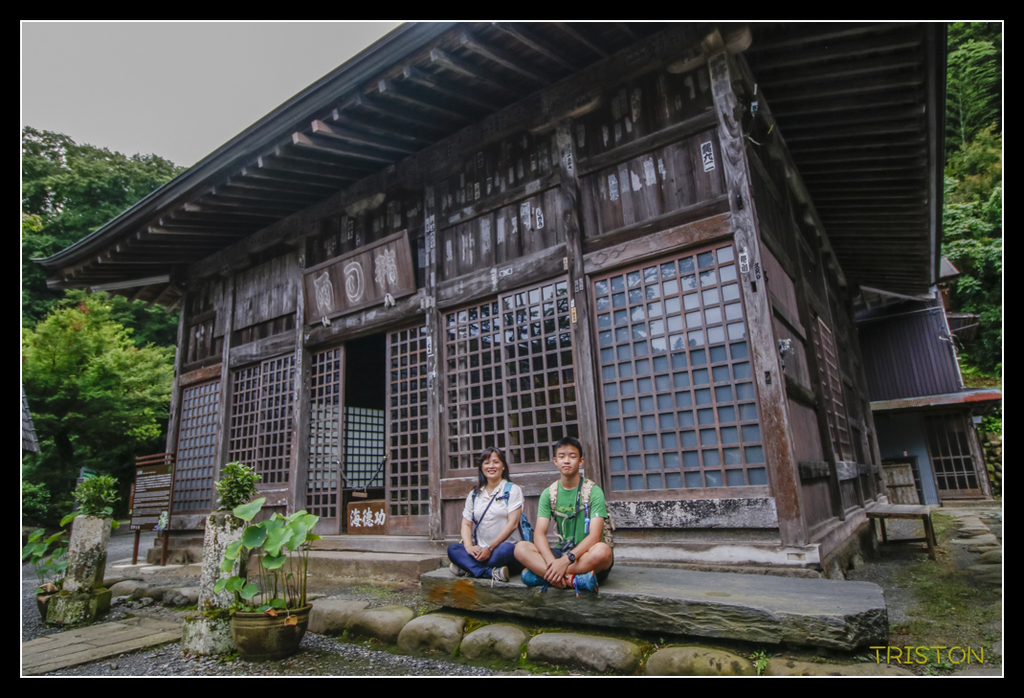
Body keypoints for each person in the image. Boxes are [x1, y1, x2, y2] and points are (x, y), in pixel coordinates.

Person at [513, 436, 613, 595]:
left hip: (585, 554)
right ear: (555, 461)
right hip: (561, 553)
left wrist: (566, 561)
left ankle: (546, 576)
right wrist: (553, 563)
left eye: (572, 456)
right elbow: (539, 534)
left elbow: (595, 536)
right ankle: (573, 580)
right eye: (562, 456)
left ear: (581, 461)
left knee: (603, 551)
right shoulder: (549, 493)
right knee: (520, 548)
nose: (567, 460)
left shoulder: (594, 491)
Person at [447, 447, 525, 584]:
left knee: (505, 549)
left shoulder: (512, 490)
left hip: (503, 550)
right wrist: (469, 547)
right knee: (453, 549)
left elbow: (513, 524)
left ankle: (468, 569)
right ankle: (489, 572)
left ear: (503, 467)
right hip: (480, 552)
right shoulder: (474, 494)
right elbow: (466, 524)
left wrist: (490, 548)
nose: (491, 466)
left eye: (496, 462)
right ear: (481, 467)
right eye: (487, 463)